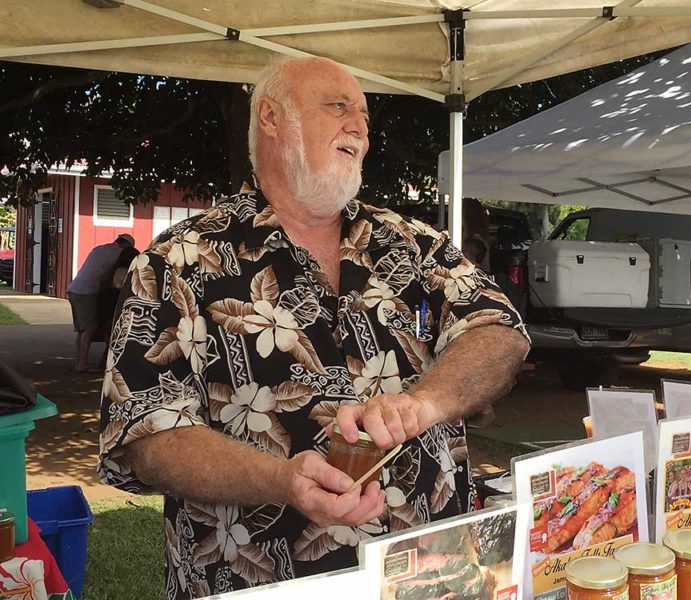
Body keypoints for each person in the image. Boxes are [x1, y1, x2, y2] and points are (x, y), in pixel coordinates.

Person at [98, 56, 530, 598]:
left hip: (432, 576)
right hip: (255, 581)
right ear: (273, 118)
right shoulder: (176, 264)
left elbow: (499, 329)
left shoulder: (412, 244)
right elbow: (147, 436)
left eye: (366, 117)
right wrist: (281, 480)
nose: (360, 128)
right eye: (338, 106)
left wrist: (427, 403)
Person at [67, 233, 136, 372]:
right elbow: (110, 277)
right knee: (89, 329)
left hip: (74, 288)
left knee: (81, 330)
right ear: (127, 245)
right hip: (87, 291)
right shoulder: (118, 254)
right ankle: (82, 365)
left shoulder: (100, 248)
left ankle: (79, 362)